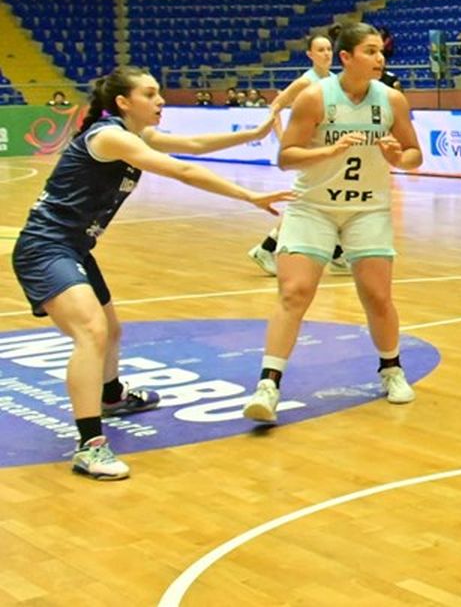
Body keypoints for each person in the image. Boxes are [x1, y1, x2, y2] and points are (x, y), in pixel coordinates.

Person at [12, 67, 291, 478]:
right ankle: (90, 445)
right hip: (45, 247)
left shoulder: (135, 135)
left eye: (160, 93)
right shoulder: (109, 137)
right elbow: (182, 170)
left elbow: (194, 144)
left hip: (74, 247)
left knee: (111, 329)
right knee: (91, 333)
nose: (160, 100)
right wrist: (249, 194)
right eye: (150, 93)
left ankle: (111, 397)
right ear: (123, 102)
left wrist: (250, 136)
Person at [241, 24, 425, 425]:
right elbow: (286, 157)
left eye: (381, 52)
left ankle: (391, 369)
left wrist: (398, 159)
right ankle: (268, 385)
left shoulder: (391, 99)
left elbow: (415, 154)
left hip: (368, 209)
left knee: (377, 296)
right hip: (314, 207)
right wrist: (329, 149)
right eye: (371, 51)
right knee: (295, 292)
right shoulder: (314, 98)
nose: (380, 59)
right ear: (346, 57)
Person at [247, 35, 348, 277]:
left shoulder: (334, 80)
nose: (326, 54)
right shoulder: (306, 81)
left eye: (328, 49)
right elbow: (276, 106)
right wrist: (284, 140)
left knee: (326, 201)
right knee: (310, 202)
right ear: (310, 55)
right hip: (310, 151)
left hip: (326, 150)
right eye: (320, 50)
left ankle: (337, 254)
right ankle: (266, 248)